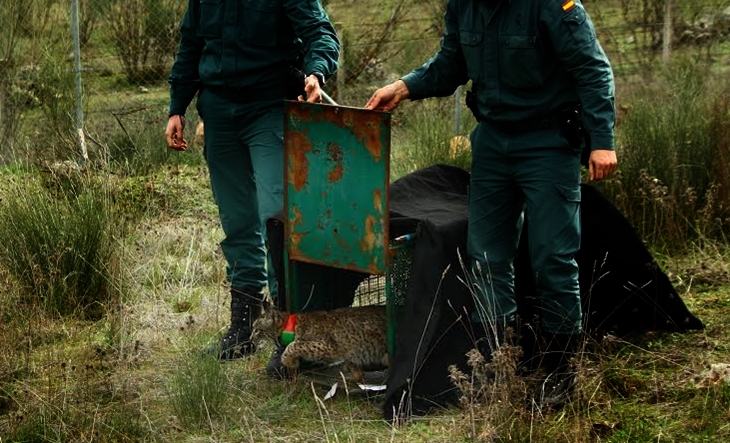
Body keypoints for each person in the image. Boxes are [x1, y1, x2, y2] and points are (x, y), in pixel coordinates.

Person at [365, 0, 617, 410]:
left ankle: (559, 371)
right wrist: (404, 86)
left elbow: (592, 69)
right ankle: (502, 363)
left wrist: (602, 140)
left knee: (553, 256)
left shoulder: (554, 7)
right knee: (486, 257)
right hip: (493, 142)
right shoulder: (464, 7)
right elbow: (451, 63)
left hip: (548, 142)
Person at [164, 0, 340, 363]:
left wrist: (316, 72)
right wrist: (177, 107)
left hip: (269, 109)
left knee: (278, 219)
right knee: (237, 221)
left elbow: (319, 32)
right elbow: (191, 46)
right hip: (219, 112)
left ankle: (291, 337)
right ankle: (242, 329)